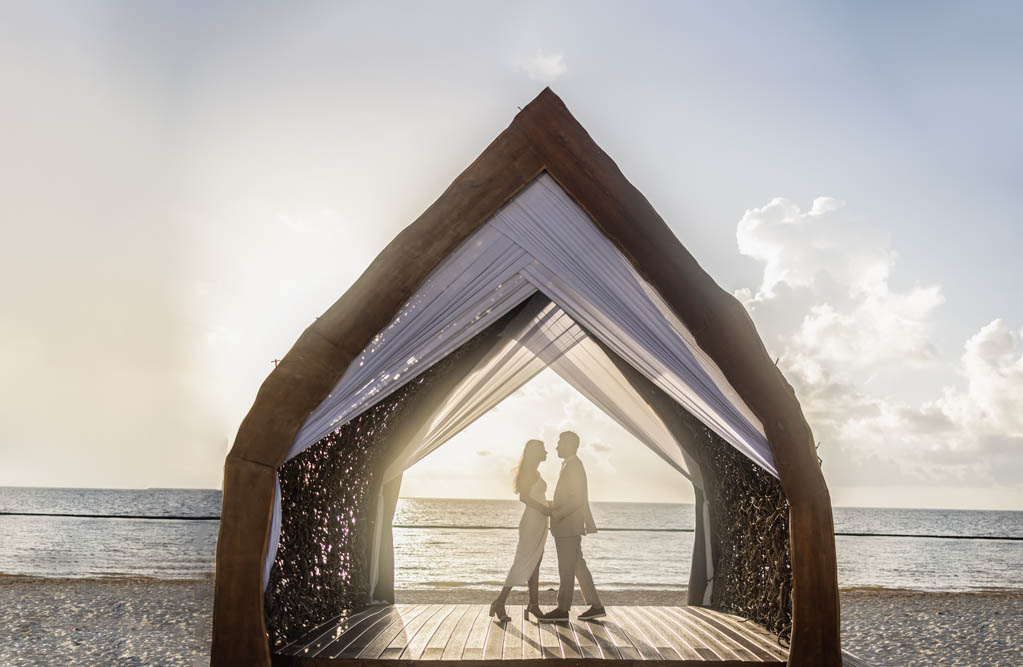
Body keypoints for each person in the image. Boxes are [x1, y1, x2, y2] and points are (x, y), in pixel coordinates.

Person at [537, 431, 605, 622]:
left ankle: (563, 609)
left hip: (567, 526)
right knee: (578, 567)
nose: (556, 447)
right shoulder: (570, 465)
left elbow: (577, 499)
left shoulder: (574, 466)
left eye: (560, 443)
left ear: (569, 445)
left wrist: (556, 513)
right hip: (569, 525)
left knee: (566, 569)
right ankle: (596, 606)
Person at [489, 439, 550, 622]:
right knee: (522, 561)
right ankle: (499, 601)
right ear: (535, 452)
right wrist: (543, 509)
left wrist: (548, 508)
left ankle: (533, 604)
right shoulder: (530, 472)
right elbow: (524, 497)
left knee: (535, 562)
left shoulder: (535, 472)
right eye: (543, 449)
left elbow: (537, 496)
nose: (546, 452)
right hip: (532, 520)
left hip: (540, 521)